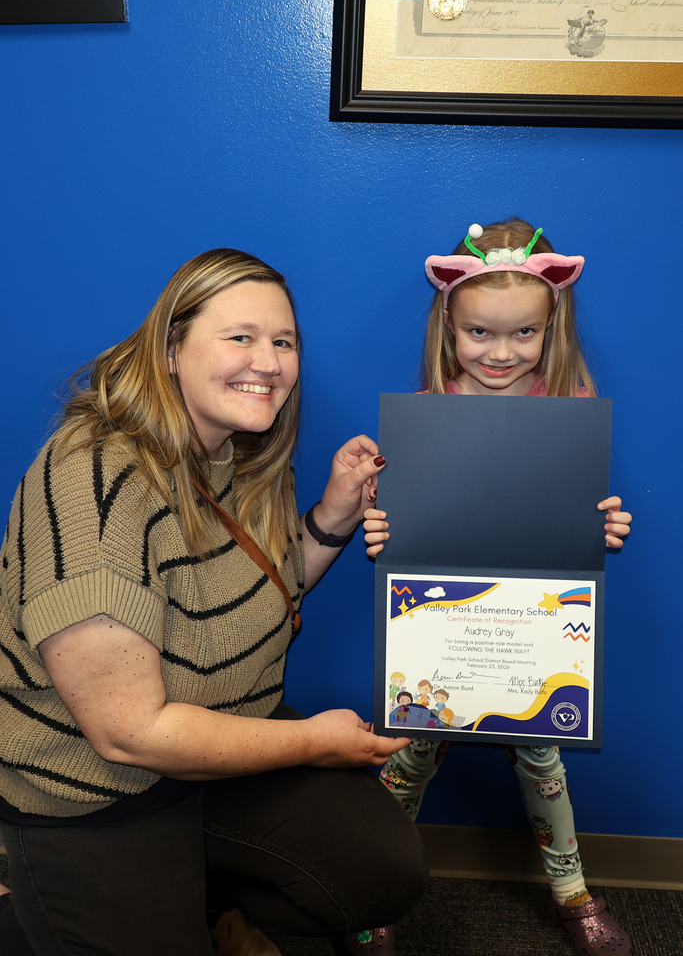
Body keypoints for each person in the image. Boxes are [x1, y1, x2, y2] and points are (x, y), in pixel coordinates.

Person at [0, 248, 428, 956]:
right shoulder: (95, 479)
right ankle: (32, 902)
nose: (268, 361)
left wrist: (332, 517)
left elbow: (261, 598)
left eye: (283, 342)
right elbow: (129, 734)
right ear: (171, 348)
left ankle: (200, 901)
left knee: (380, 871)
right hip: (103, 793)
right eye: (240, 337)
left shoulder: (234, 452)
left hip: (223, 751)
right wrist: (315, 742)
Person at [363, 218, 633, 956]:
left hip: (533, 625)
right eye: (479, 333)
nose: (500, 352)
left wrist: (600, 528)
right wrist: (382, 534)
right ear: (447, 324)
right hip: (441, 625)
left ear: (552, 329)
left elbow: (575, 521)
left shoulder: (570, 412)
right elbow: (404, 525)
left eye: (523, 335)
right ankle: (365, 886)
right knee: (410, 751)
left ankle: (571, 892)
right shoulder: (425, 414)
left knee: (542, 758)